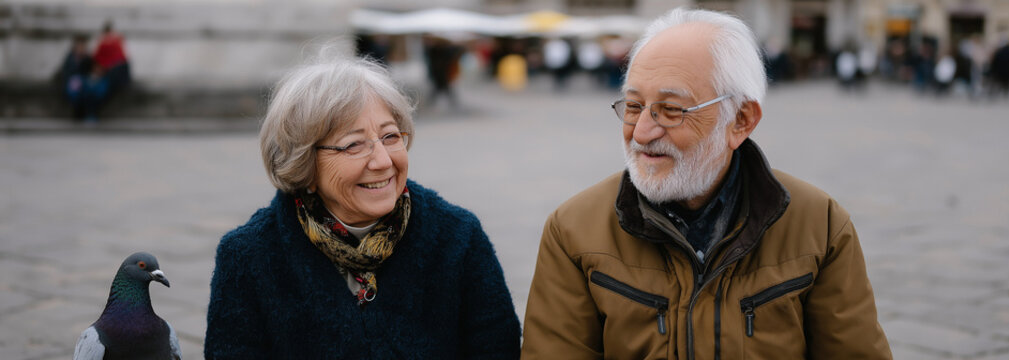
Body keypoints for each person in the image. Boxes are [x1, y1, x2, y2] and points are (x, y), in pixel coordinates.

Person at [521, 8, 891, 359]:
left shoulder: (820, 225)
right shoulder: (572, 231)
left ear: (741, 120)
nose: (643, 133)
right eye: (633, 107)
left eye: (671, 110)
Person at [204, 47, 521, 358]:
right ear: (304, 164)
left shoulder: (458, 237)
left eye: (391, 136)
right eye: (354, 145)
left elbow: (497, 347)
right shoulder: (249, 256)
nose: (383, 161)